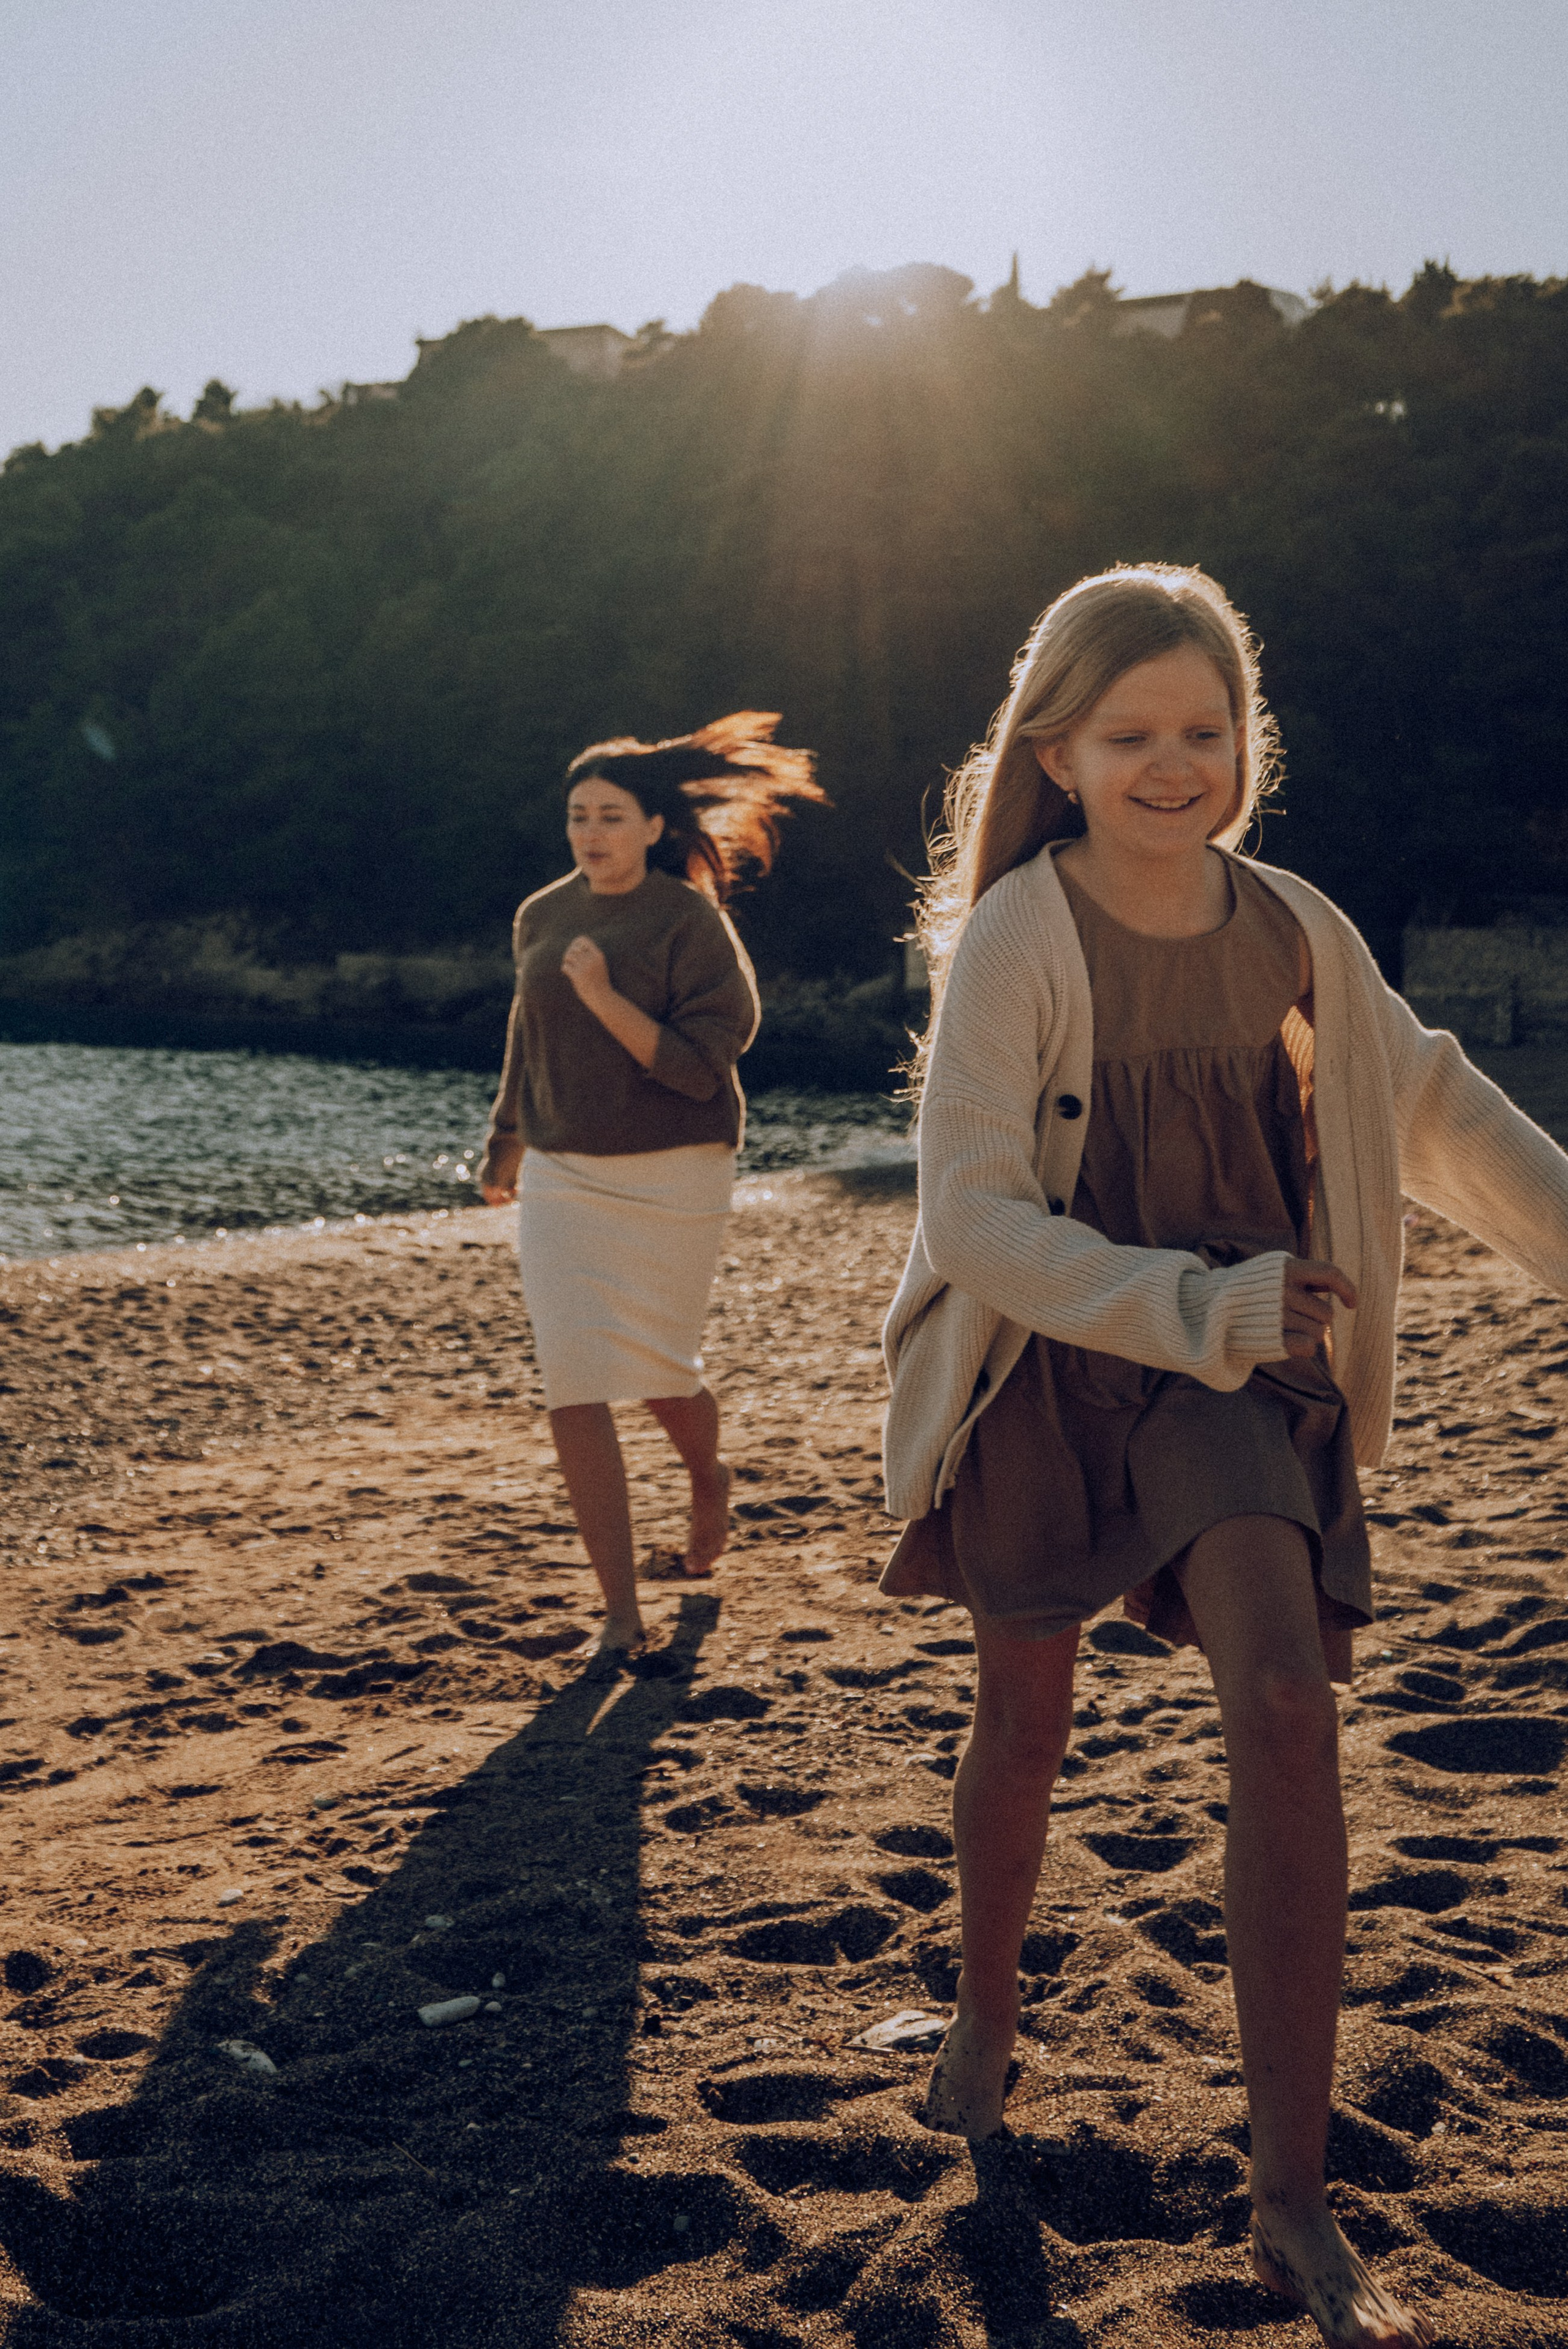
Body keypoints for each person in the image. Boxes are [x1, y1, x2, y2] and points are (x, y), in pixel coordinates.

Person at [881, 564, 1568, 2349]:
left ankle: (1287, 2195)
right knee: (1025, 1715)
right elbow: (970, 1217)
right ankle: (984, 2015)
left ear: (1249, 740)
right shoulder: (1021, 933)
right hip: (1051, 1360)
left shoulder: (1295, 927)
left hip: (1240, 1369)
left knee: (1280, 1702)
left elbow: (1435, 1111)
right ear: (1057, 752)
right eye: (1132, 735)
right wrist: (1192, 1302)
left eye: (1207, 728)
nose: (1174, 764)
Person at [479, 712, 822, 1656]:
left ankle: (708, 1478)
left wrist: (603, 997)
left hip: (676, 1170)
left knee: (661, 1372)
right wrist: (508, 1138)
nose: (591, 833)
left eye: (611, 817)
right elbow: (526, 1032)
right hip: (563, 1171)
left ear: (654, 827)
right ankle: (622, 1613)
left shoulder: (690, 922)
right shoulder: (543, 915)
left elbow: (701, 1068)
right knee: (573, 1382)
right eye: (579, 816)